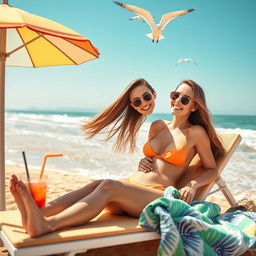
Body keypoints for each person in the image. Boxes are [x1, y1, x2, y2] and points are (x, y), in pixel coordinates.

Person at [10, 79, 225, 237]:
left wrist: (194, 185)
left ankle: (48, 225)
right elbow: (157, 163)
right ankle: (38, 214)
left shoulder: (196, 132)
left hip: (158, 198)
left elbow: (211, 169)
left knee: (108, 186)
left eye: (184, 99)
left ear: (194, 106)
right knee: (98, 184)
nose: (177, 101)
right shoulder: (157, 126)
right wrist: (143, 162)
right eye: (175, 95)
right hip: (133, 190)